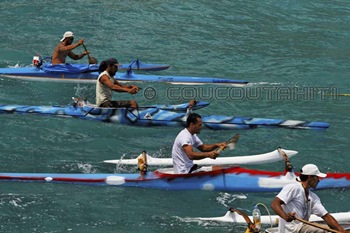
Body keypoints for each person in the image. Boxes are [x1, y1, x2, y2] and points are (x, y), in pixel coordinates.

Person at [271, 164, 346, 233]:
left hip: (302, 228)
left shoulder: (313, 197)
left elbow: (326, 216)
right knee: (324, 230)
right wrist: (285, 216)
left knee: (331, 230)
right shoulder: (293, 188)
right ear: (310, 177)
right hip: (292, 230)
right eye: (317, 177)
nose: (319, 180)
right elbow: (275, 204)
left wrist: (341, 231)